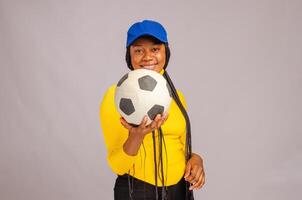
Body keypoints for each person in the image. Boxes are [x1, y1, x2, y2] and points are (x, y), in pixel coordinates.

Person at [100, 19, 205, 200]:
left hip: (181, 190)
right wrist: (137, 135)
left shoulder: (176, 95)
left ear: (166, 52)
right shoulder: (116, 96)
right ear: (129, 56)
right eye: (139, 50)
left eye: (155, 49)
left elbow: (178, 146)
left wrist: (196, 158)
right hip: (139, 191)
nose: (148, 57)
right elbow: (118, 165)